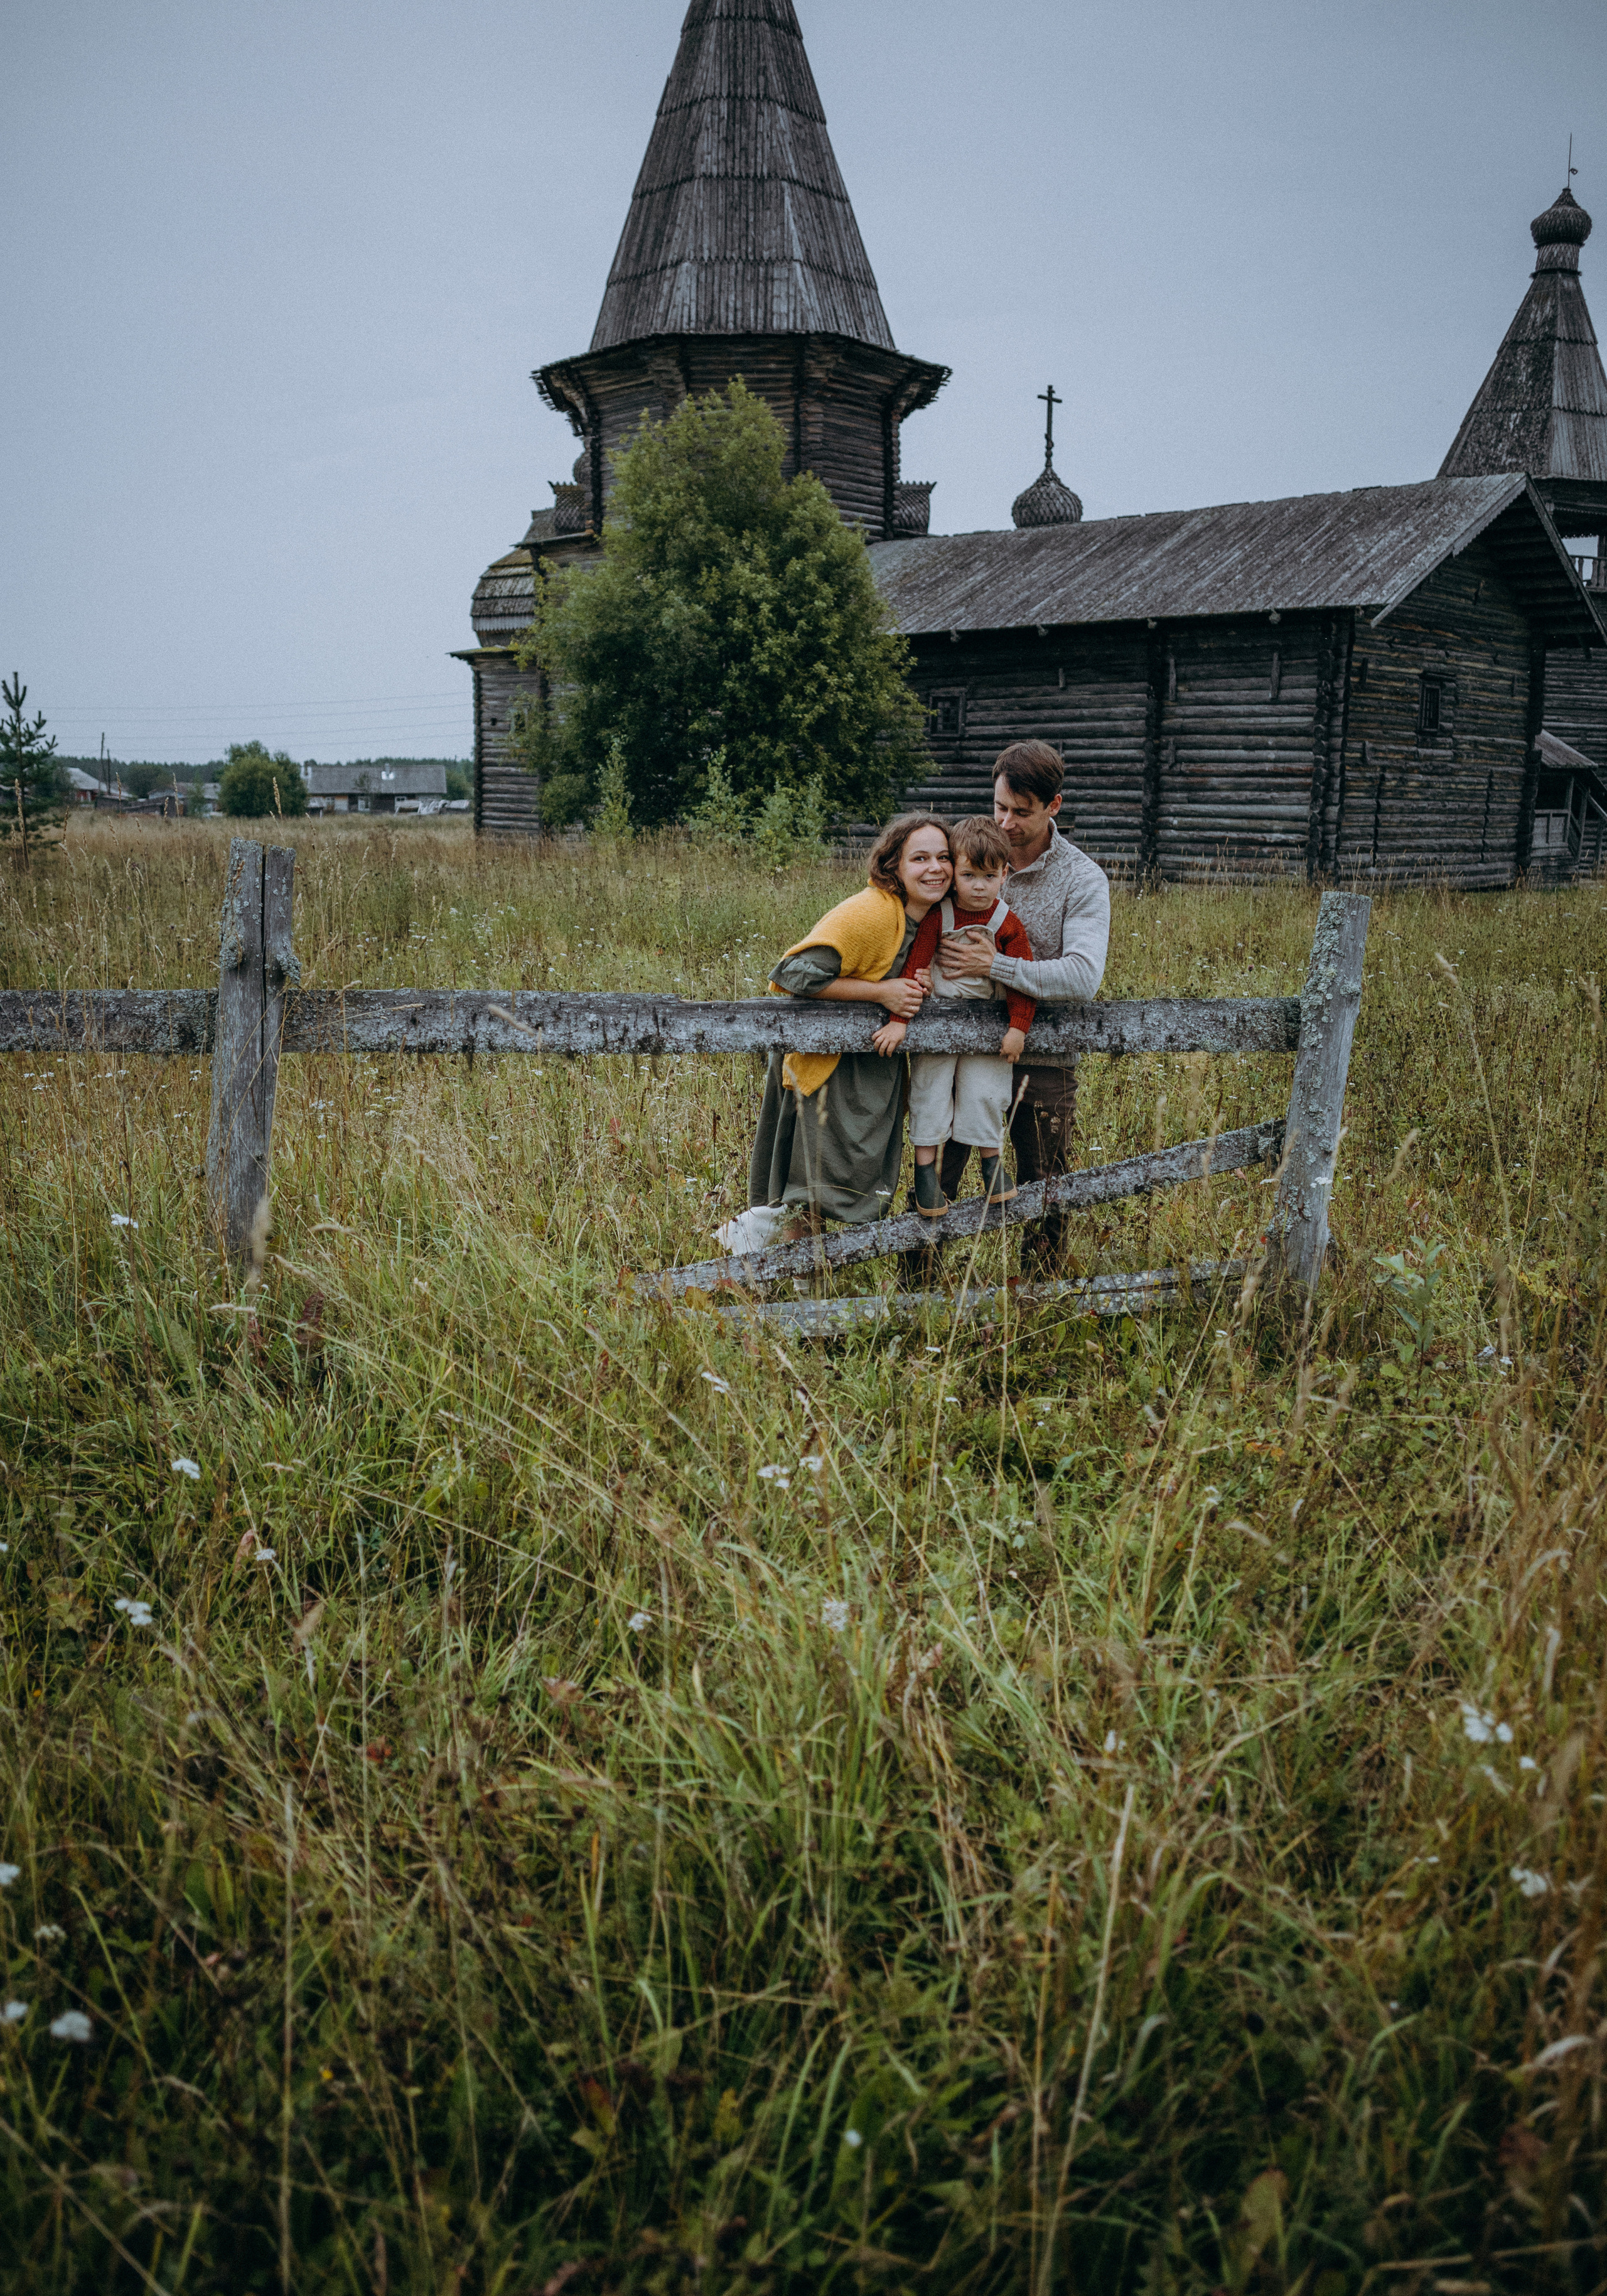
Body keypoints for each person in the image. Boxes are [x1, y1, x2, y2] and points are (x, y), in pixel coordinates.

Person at [717, 814, 952, 1254]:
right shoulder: (873, 912)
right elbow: (793, 972)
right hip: (824, 1066)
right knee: (807, 1185)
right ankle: (785, 1270)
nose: (935, 868)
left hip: (867, 1069)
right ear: (894, 866)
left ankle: (802, 1269)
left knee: (841, 1181)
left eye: (944, 857)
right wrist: (881, 992)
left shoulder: (934, 919)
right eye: (920, 858)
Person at [935, 741, 1110, 1264]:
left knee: (1045, 1184)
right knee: (938, 1173)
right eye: (999, 806)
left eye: (1021, 811)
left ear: (1054, 806)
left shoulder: (1082, 878)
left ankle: (1038, 1290)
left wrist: (996, 966)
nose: (1006, 822)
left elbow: (1083, 976)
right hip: (960, 1051)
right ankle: (917, 1281)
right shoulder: (963, 856)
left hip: (1043, 1058)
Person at [876, 816, 1036, 1215]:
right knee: (929, 1092)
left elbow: (1022, 982)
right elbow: (915, 965)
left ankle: (992, 1166)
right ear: (954, 875)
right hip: (935, 1023)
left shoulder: (1006, 923)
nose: (979, 886)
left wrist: (1018, 1028)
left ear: (1004, 874)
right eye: (968, 876)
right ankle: (925, 1175)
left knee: (986, 1092)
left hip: (989, 1028)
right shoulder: (939, 916)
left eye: (989, 876)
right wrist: (900, 1020)